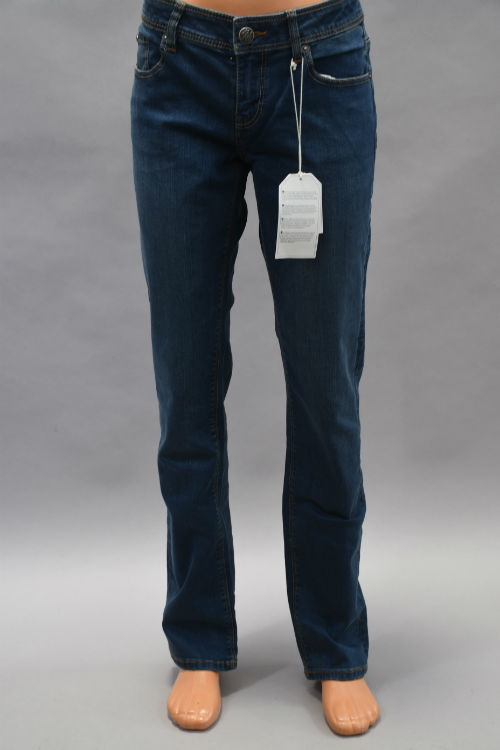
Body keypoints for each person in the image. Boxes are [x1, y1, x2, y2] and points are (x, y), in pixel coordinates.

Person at [130, 0, 379, 735]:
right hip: (178, 59)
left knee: (327, 388)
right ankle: (198, 634)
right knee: (186, 383)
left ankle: (336, 642)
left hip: (319, 66)